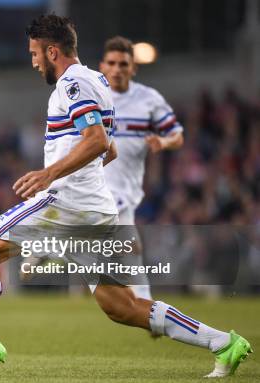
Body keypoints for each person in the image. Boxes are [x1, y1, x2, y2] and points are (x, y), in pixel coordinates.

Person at [0, 15, 252, 379]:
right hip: (94, 209)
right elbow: (110, 150)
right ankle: (224, 343)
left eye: (34, 53)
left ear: (52, 50)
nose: (33, 61)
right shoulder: (97, 81)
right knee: (120, 306)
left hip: (67, 203)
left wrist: (48, 174)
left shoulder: (71, 84)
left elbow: (98, 141)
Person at [100, 36, 184, 301]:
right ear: (103, 66)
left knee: (128, 249)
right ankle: (149, 309)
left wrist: (163, 140)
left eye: (123, 64)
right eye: (112, 63)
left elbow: (177, 135)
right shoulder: (93, 96)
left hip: (126, 187)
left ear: (133, 68)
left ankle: (46, 249)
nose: (117, 69)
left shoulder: (148, 99)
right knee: (128, 247)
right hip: (96, 183)